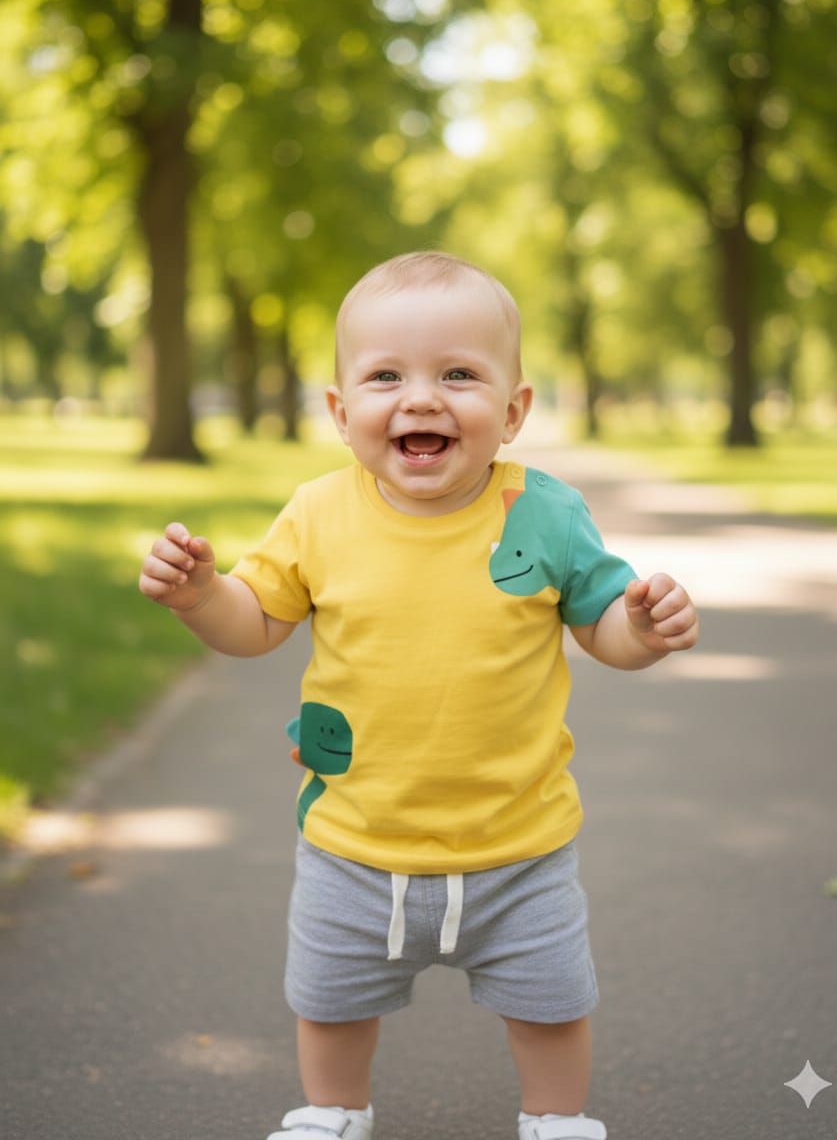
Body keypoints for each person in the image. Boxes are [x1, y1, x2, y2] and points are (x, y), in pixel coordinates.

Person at [139, 251, 699, 1140]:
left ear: (513, 412)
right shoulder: (319, 514)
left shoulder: (546, 515)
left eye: (460, 375)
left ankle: (557, 1120)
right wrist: (202, 596)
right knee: (328, 999)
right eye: (386, 376)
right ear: (340, 410)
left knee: (552, 1003)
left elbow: (603, 630)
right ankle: (333, 1111)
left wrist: (644, 628)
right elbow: (256, 623)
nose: (422, 398)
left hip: (520, 843)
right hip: (355, 840)